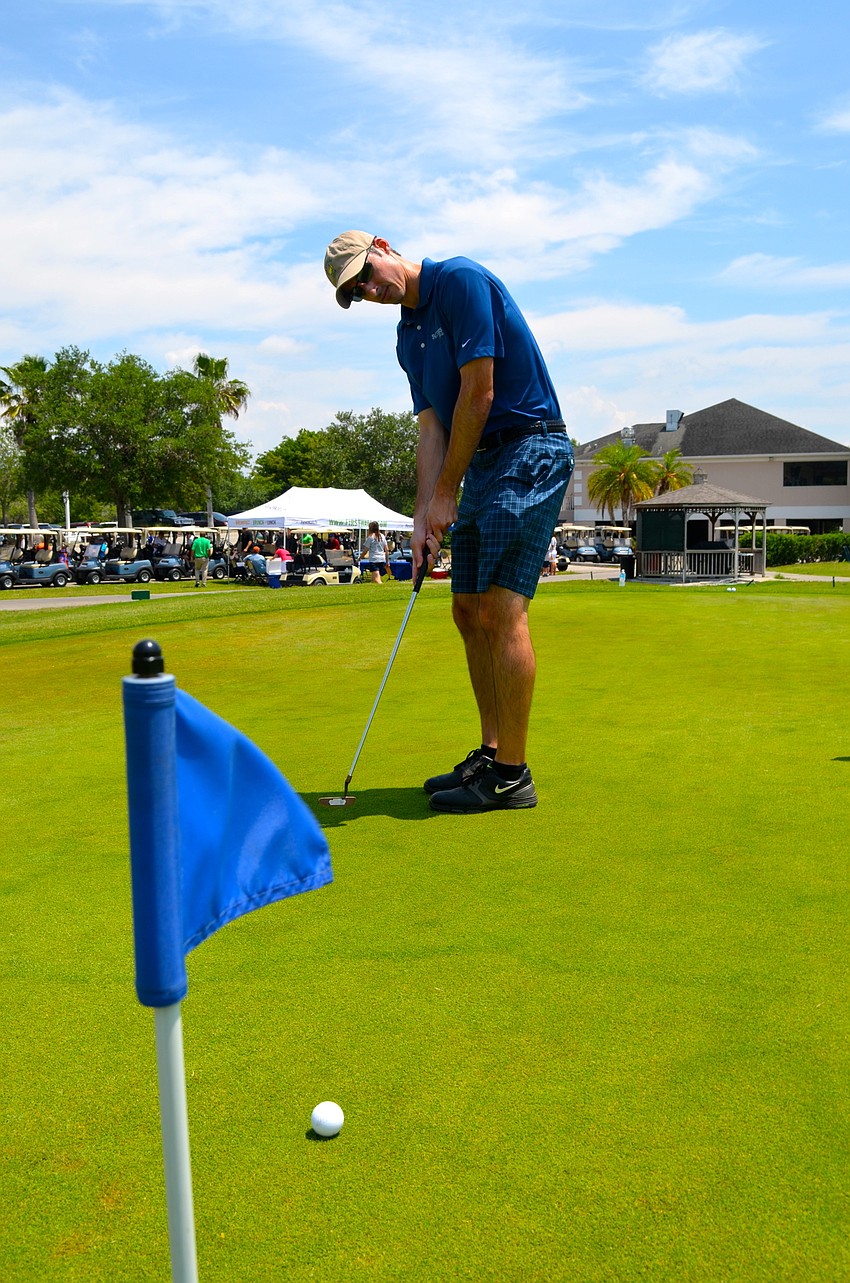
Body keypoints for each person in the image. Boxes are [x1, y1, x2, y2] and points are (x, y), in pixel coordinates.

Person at [324, 231, 574, 814]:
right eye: (356, 292)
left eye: (365, 275)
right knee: (466, 609)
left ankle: (513, 774)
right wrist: (423, 514)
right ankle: (492, 753)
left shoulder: (459, 280)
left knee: (499, 608)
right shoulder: (406, 337)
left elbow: (479, 394)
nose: (369, 290)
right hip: (483, 460)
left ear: (383, 246)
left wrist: (446, 493)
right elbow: (433, 427)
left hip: (530, 448)